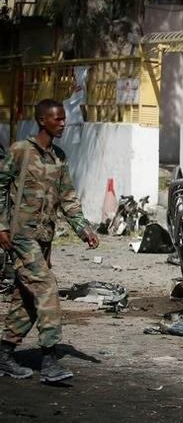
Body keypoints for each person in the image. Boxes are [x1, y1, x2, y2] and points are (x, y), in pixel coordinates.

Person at [0, 99, 99, 383]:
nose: (63, 123)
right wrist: (1, 226)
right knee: (46, 286)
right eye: (57, 119)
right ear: (42, 120)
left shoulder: (59, 157)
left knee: (27, 297)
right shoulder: (20, 151)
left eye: (63, 119)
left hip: (44, 238)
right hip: (21, 236)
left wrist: (84, 230)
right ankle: (49, 358)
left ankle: (5, 354)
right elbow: (0, 184)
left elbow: (68, 198)